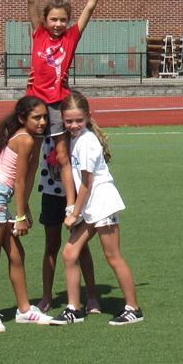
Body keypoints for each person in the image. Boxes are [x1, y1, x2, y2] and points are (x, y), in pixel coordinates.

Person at [21, 0, 111, 313]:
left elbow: (89, 7)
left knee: (60, 155)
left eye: (62, 20)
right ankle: (19, 204)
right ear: (43, 22)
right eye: (53, 20)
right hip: (35, 102)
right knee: (25, 151)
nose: (58, 25)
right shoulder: (39, 33)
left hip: (55, 101)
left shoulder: (70, 36)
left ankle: (88, 296)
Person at [0, 96, 62, 331]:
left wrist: (25, 208)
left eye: (45, 117)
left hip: (2, 196)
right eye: (37, 118)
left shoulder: (34, 140)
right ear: (22, 119)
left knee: (16, 255)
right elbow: (20, 179)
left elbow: (29, 175)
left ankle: (24, 310)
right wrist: (21, 215)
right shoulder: (24, 139)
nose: (43, 122)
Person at [60, 91, 143, 325]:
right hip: (90, 206)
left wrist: (74, 212)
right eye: (69, 121)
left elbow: (87, 182)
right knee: (69, 253)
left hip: (102, 203)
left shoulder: (87, 141)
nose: (74, 125)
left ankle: (133, 309)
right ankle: (74, 308)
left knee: (113, 256)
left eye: (79, 120)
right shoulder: (75, 140)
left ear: (88, 116)